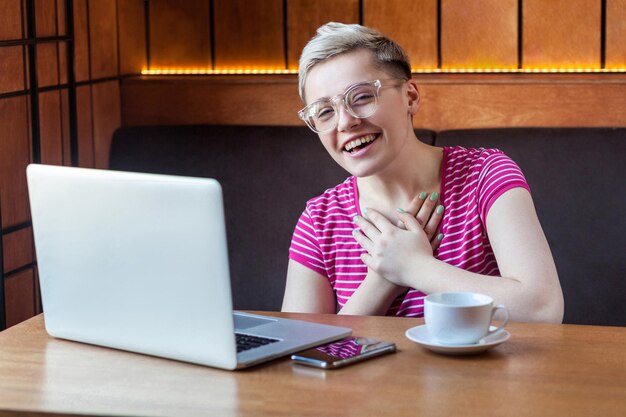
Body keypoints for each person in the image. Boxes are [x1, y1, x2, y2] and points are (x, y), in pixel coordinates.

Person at [281, 22, 564, 323]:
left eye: (362, 97)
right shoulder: (319, 219)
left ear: (410, 97)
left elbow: (542, 310)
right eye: (324, 111)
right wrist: (382, 281)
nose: (344, 122)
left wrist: (414, 267)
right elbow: (299, 349)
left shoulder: (486, 175)